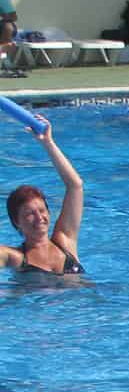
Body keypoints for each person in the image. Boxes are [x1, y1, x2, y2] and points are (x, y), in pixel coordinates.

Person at [1, 118, 83, 275]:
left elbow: (75, 186)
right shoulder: (16, 258)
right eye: (30, 214)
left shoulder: (65, 242)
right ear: (16, 222)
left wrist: (48, 143)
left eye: (42, 210)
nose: (39, 217)